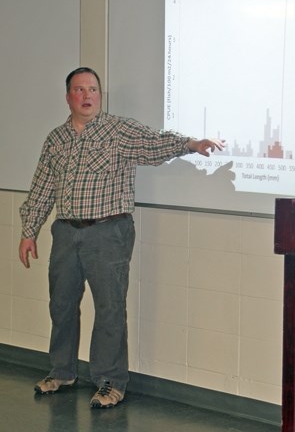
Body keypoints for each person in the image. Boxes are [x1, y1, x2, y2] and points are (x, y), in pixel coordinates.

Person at [18, 67, 225, 409]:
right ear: (68, 96)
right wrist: (29, 232)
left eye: (94, 90)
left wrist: (190, 143)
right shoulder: (55, 140)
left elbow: (155, 142)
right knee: (61, 305)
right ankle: (62, 371)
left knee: (110, 308)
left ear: (101, 95)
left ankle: (110, 381)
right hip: (66, 233)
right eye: (80, 90)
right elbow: (42, 188)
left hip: (109, 232)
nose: (87, 96)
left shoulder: (118, 131)